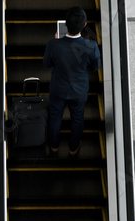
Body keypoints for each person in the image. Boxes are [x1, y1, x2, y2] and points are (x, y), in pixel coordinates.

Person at [43, 6, 101, 158]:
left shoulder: (53, 44)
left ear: (66, 25)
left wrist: (57, 42)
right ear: (85, 25)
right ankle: (73, 148)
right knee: (77, 118)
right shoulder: (91, 46)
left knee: (55, 117)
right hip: (79, 90)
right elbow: (95, 67)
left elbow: (47, 64)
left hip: (58, 89)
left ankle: (54, 146)